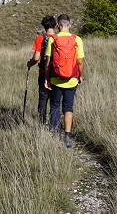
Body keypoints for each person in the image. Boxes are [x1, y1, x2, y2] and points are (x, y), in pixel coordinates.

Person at [44, 14, 85, 147]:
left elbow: (49, 62)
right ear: (70, 25)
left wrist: (46, 78)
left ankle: (55, 133)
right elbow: (80, 61)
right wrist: (80, 75)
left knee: (55, 105)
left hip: (56, 79)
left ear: (58, 25)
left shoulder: (53, 39)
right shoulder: (77, 39)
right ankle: (67, 136)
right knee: (68, 107)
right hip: (72, 79)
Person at [26, 15, 57, 128]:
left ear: (44, 26)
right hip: (57, 73)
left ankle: (42, 123)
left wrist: (30, 63)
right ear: (55, 25)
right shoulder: (59, 38)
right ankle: (55, 124)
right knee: (55, 99)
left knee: (43, 98)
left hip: (44, 72)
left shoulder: (40, 38)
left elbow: (36, 58)